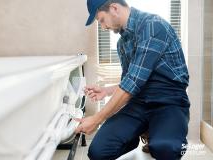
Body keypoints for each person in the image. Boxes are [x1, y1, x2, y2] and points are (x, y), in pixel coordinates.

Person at [75, 0, 190, 159]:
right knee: (98, 152)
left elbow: (132, 85)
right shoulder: (122, 44)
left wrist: (96, 119)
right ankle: (142, 130)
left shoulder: (153, 26)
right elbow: (131, 82)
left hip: (169, 100)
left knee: (166, 149)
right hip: (139, 102)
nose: (103, 27)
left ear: (114, 8)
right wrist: (107, 91)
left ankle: (160, 132)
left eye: (101, 20)